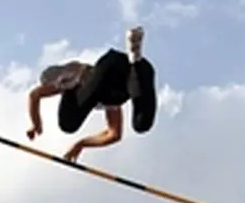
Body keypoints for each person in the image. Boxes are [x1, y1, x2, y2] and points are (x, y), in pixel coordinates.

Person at [26, 26, 158, 163]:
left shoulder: (74, 75)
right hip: (128, 73)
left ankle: (134, 62)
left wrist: (36, 124)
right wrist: (81, 144)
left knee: (68, 124)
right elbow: (114, 134)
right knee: (141, 124)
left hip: (106, 70)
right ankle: (136, 57)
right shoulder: (108, 100)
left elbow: (34, 95)